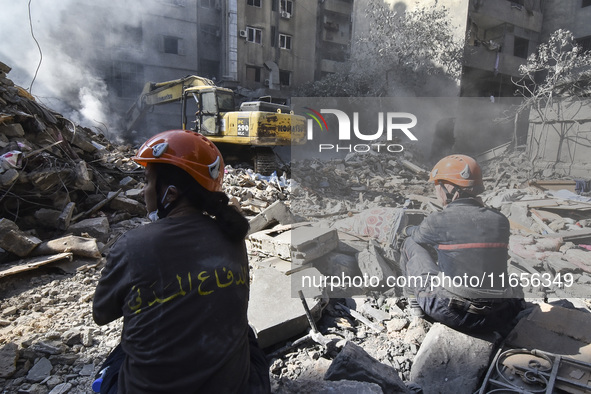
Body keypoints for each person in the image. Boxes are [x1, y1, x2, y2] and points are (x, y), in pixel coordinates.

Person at [92, 129, 270, 393]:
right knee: (246, 334)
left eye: (148, 181)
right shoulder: (232, 235)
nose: (144, 192)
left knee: (120, 354)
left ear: (170, 193)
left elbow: (102, 314)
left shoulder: (133, 245)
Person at [399, 154, 523, 332]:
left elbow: (418, 236)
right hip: (499, 315)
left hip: (454, 313)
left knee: (410, 245)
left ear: (449, 186)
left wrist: (407, 230)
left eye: (437, 185)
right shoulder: (500, 220)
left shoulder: (438, 220)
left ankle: (415, 308)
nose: (436, 191)